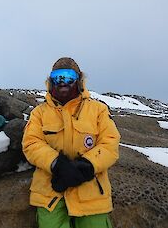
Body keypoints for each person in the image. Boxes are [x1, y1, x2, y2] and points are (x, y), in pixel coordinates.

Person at [22, 57, 120, 228]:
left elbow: (110, 143)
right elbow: (31, 143)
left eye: (68, 76)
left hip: (92, 194)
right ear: (50, 81)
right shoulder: (39, 113)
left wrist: (87, 165)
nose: (62, 82)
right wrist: (56, 164)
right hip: (50, 195)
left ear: (79, 80)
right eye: (57, 77)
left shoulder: (98, 110)